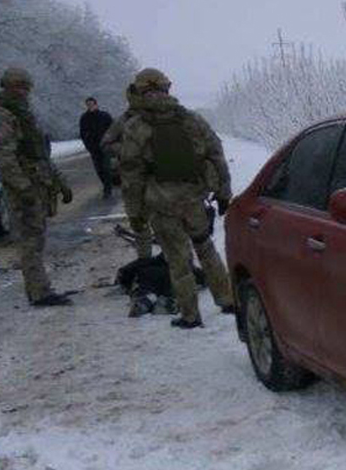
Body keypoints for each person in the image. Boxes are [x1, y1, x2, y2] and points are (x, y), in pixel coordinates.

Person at [120, 68, 236, 329]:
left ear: (139, 92)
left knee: (178, 260)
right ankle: (227, 299)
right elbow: (216, 154)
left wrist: (135, 213)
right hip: (194, 199)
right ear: (167, 89)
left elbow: (131, 176)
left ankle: (190, 315)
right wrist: (224, 192)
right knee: (206, 248)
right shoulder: (191, 119)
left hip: (161, 205)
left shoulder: (136, 127)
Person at [0, 67, 74, 307]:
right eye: (17, 86)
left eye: (25, 87)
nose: (22, 91)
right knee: (29, 241)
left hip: (37, 183)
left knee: (36, 239)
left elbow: (40, 154)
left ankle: (41, 289)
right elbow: (4, 157)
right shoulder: (1, 115)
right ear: (7, 87)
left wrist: (60, 182)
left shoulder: (23, 114)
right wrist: (23, 188)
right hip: (23, 188)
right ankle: (39, 292)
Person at [101, 85, 155, 260]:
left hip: (158, 179)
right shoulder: (123, 120)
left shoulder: (158, 117)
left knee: (166, 224)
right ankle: (145, 262)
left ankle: (172, 264)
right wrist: (126, 150)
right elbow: (105, 144)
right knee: (139, 223)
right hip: (133, 180)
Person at [79, 97, 115, 198]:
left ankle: (108, 189)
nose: (90, 106)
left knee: (106, 167)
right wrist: (88, 145)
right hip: (93, 148)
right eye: (88, 105)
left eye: (92, 104)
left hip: (105, 146)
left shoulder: (104, 116)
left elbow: (113, 129)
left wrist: (111, 142)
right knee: (99, 169)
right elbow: (82, 133)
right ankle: (105, 185)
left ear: (96, 104)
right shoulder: (84, 118)